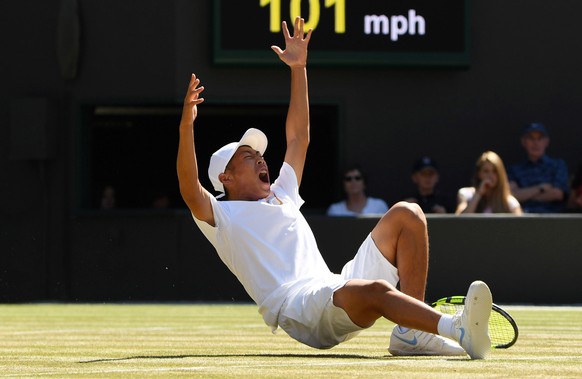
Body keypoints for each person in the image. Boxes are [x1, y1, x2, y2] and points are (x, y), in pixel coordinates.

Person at [177, 17, 492, 359]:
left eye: (260, 155)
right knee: (375, 290)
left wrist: (299, 68)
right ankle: (453, 327)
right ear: (226, 178)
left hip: (331, 285)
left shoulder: (281, 193)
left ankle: (412, 335)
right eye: (249, 156)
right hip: (299, 308)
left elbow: (299, 138)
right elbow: (189, 187)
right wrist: (186, 128)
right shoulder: (221, 215)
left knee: (408, 214)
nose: (261, 160)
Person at [507, 123, 569, 213]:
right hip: (523, 219)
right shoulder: (514, 170)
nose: (536, 143)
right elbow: (513, 196)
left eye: (539, 138)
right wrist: (541, 188)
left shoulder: (557, 165)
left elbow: (557, 194)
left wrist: (525, 195)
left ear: (547, 142)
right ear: (524, 142)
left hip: (553, 219)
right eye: (531, 138)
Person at [455, 151, 522, 214]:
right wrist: (478, 194)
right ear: (479, 173)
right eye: (486, 171)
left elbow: (520, 224)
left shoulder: (510, 203)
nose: (490, 176)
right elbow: (459, 221)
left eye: (494, 171)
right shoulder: (466, 194)